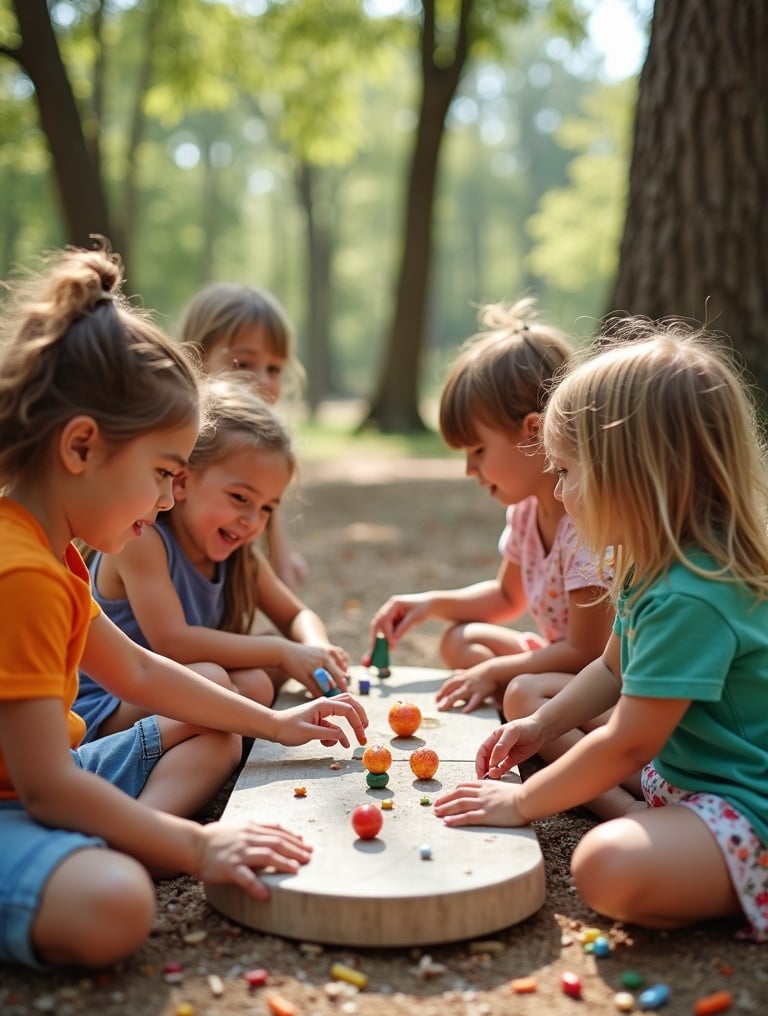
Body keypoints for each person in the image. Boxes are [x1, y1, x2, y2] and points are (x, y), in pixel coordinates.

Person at [0, 246, 368, 971]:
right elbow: (46, 785)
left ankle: (112, 838)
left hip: (52, 774)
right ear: (81, 446)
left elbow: (137, 668)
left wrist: (275, 723)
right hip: (29, 793)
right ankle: (104, 849)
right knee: (116, 903)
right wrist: (197, 844)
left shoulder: (55, 549)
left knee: (212, 720)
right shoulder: (21, 573)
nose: (170, 498)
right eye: (164, 474)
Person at [434, 321, 768, 941]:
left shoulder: (694, 592)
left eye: (565, 471)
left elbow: (625, 744)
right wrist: (541, 726)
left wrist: (520, 803)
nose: (556, 490)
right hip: (681, 775)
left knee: (605, 867)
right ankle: (654, 825)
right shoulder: (650, 566)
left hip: (745, 807)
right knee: (539, 705)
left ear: (632, 473)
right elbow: (611, 670)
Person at [369, 298, 613, 718]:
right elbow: (506, 596)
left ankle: (528, 715)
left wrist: (500, 669)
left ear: (533, 433)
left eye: (478, 450)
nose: (469, 469)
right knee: (456, 640)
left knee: (518, 689)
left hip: (595, 679)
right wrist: (429, 604)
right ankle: (511, 693)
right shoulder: (526, 513)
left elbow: (588, 652)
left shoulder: (584, 526)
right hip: (560, 659)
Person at [75, 373, 350, 742]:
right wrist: (283, 652)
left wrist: (315, 648)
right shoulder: (142, 540)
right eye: (240, 498)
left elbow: (295, 614)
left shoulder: (241, 559)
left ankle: (221, 738)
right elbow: (173, 643)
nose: (252, 521)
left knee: (255, 680)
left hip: (174, 693)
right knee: (221, 676)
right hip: (109, 705)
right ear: (183, 481)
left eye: (267, 508)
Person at [178, 282, 308, 589]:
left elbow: (271, 528)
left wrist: (284, 571)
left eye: (274, 369)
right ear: (196, 355)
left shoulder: (261, 450)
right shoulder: (177, 437)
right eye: (244, 363)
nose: (261, 381)